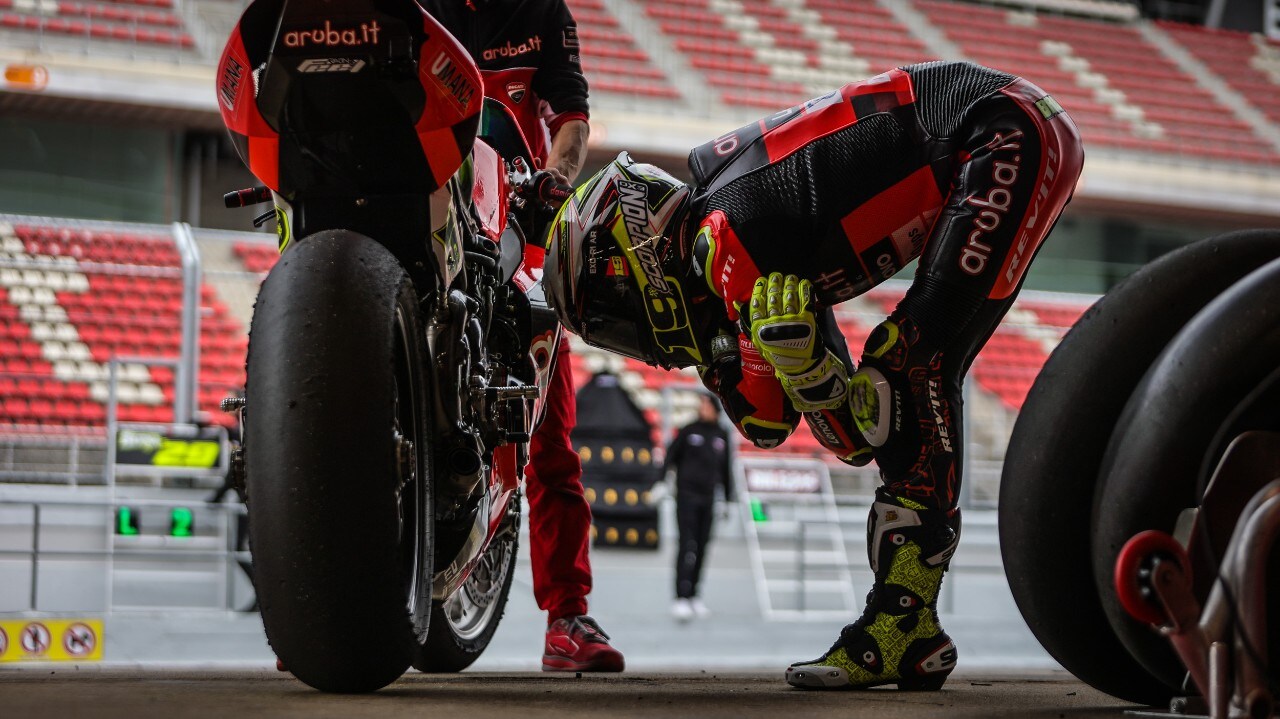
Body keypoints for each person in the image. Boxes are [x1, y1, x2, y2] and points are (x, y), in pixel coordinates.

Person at [544, 60, 1084, 689]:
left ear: (638, 260)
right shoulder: (724, 237)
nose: (631, 343)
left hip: (1001, 133)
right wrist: (811, 378)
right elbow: (825, 431)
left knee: (911, 367)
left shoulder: (726, 235)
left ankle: (904, 627)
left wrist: (812, 378)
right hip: (1006, 125)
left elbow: (813, 428)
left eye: (611, 318)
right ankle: (907, 627)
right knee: (900, 374)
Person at [418, 0, 623, 672]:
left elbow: (571, 115)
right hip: (424, 219)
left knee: (550, 434)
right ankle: (337, 602)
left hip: (514, 233)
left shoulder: (541, 8)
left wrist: (558, 177)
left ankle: (568, 615)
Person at [660, 393, 733, 622]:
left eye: (706, 405)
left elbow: (726, 470)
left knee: (702, 546)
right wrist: (661, 481)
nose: (702, 408)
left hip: (708, 498)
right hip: (686, 497)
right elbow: (670, 457)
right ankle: (681, 596)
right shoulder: (688, 430)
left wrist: (728, 500)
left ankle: (694, 595)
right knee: (686, 545)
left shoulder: (722, 435)